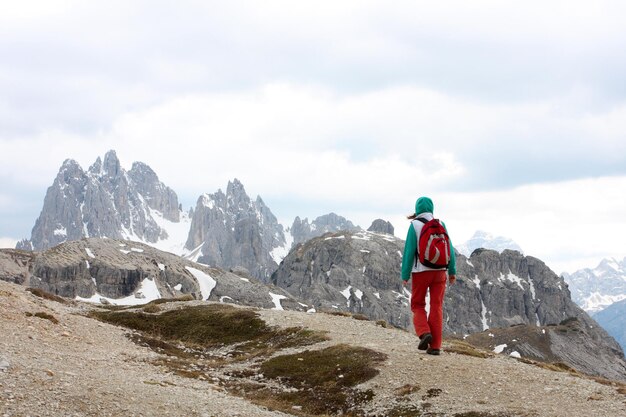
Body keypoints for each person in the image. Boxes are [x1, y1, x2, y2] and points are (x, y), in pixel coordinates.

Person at [401, 196, 456, 355]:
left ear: (417, 209)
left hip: (421, 272)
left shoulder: (415, 225)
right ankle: (436, 346)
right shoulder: (441, 224)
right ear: (431, 208)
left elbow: (409, 251)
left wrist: (405, 274)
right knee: (436, 306)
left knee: (417, 305)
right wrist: (452, 271)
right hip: (440, 272)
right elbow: (450, 249)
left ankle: (425, 333)